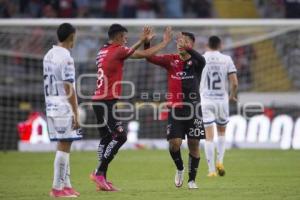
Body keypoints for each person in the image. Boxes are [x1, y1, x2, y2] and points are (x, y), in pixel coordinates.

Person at [90, 24, 172, 191]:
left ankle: (101, 179)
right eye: (125, 37)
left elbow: (128, 52)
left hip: (98, 100)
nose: (126, 40)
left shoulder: (103, 50)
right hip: (106, 101)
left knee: (106, 138)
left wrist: (141, 42)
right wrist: (163, 43)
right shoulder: (119, 50)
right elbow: (145, 54)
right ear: (119, 37)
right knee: (120, 136)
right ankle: (99, 173)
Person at [145, 32, 206, 189]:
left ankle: (192, 180)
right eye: (179, 41)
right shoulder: (171, 59)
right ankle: (180, 168)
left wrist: (188, 49)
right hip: (175, 108)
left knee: (194, 144)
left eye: (184, 41)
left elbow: (202, 59)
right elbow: (150, 58)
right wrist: (147, 44)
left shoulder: (197, 62)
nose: (180, 43)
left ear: (191, 45)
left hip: (194, 109)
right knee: (174, 143)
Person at [43, 23, 82, 197]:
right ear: (72, 36)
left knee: (65, 144)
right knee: (64, 145)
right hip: (63, 106)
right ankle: (57, 188)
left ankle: (66, 185)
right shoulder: (66, 57)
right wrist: (76, 112)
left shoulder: (48, 54)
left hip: (51, 104)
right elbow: (69, 88)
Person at [200, 36, 238, 177]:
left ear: (207, 44)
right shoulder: (227, 59)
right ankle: (220, 162)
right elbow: (234, 82)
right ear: (220, 45)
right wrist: (232, 95)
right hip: (222, 101)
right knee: (222, 133)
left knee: (209, 137)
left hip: (206, 100)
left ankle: (211, 171)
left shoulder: (202, 58)